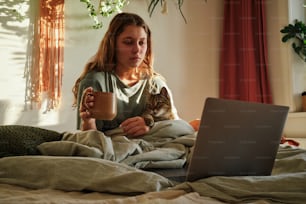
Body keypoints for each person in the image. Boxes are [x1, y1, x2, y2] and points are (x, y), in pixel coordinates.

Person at [72, 12, 179, 138]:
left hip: (153, 149)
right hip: (111, 151)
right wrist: (88, 121)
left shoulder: (155, 84)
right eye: (128, 42)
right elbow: (89, 143)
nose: (137, 50)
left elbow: (174, 126)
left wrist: (149, 125)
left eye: (142, 42)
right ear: (113, 44)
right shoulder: (95, 82)